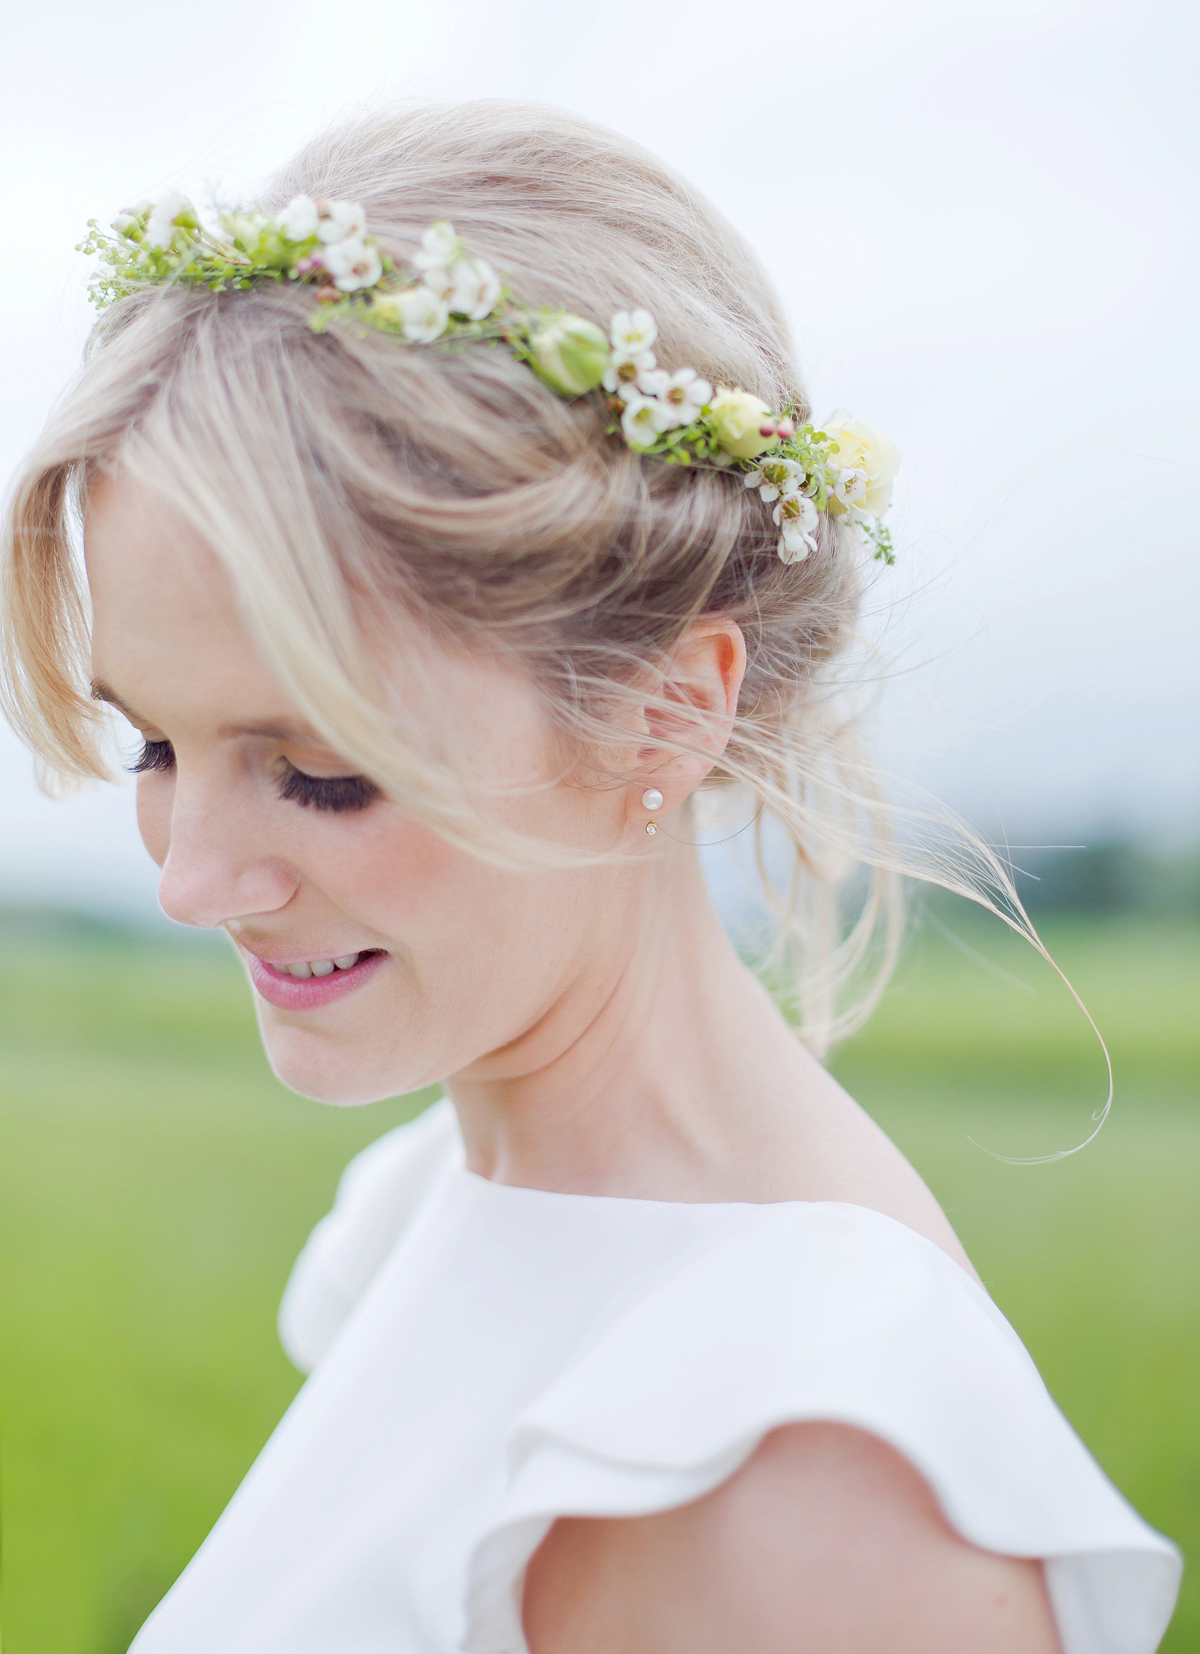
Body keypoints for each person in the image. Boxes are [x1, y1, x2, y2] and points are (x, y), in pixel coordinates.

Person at [0, 101, 1180, 1654]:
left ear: (666, 710)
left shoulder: (800, 1487)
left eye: (322, 771)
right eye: (155, 745)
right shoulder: (451, 1197)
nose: (192, 881)